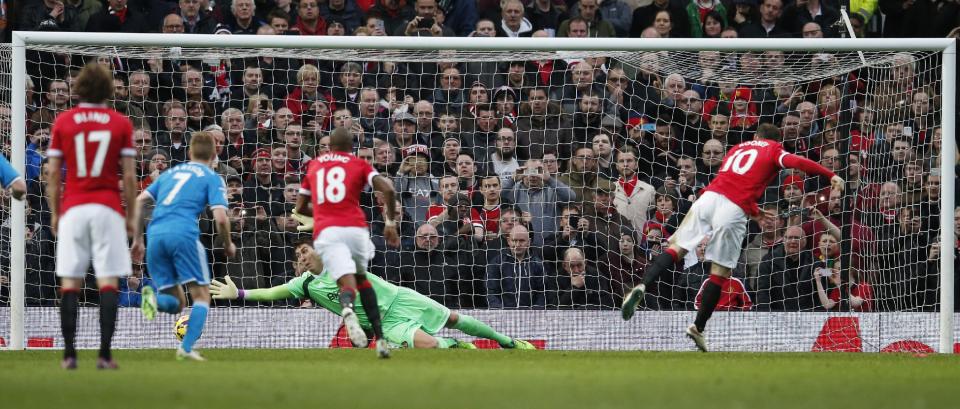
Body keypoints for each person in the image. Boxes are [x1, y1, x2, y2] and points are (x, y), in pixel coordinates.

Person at [621, 123, 844, 352]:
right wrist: (831, 176)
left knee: (676, 248)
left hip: (707, 199)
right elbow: (797, 162)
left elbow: (737, 184)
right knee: (720, 272)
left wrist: (756, 212)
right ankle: (697, 327)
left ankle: (642, 285)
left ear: (755, 136)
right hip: (732, 210)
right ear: (776, 140)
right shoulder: (773, 149)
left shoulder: (737, 148)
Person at [210, 239, 535, 350]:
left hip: (399, 297)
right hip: (384, 321)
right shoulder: (304, 284)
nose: (302, 258)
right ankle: (457, 347)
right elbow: (269, 293)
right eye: (298, 257)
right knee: (432, 346)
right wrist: (237, 292)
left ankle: (508, 342)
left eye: (305, 251)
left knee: (453, 318)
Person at [46, 63, 138, 370]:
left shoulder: (64, 121)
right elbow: (128, 177)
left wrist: (55, 213)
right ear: (108, 89)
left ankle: (70, 355)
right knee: (108, 281)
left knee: (71, 282)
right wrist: (131, 218)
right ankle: (104, 355)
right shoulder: (120, 123)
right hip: (108, 208)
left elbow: (52, 175)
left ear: (79, 88)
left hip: (73, 207)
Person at [293, 127, 400, 358]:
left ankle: (348, 310)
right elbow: (389, 189)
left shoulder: (314, 165)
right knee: (362, 279)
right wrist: (390, 223)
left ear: (329, 146)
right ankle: (381, 340)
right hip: (354, 228)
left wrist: (321, 212)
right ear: (351, 147)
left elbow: (300, 207)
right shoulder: (358, 163)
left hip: (327, 231)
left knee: (346, 283)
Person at [132, 131, 237, 361]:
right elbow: (220, 218)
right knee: (201, 297)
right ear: (214, 153)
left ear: (189, 152)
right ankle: (186, 349)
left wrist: (138, 240)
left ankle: (151, 300)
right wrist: (228, 244)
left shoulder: (170, 173)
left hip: (155, 235)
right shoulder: (212, 177)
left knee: (177, 302)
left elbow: (139, 202)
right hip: (183, 234)